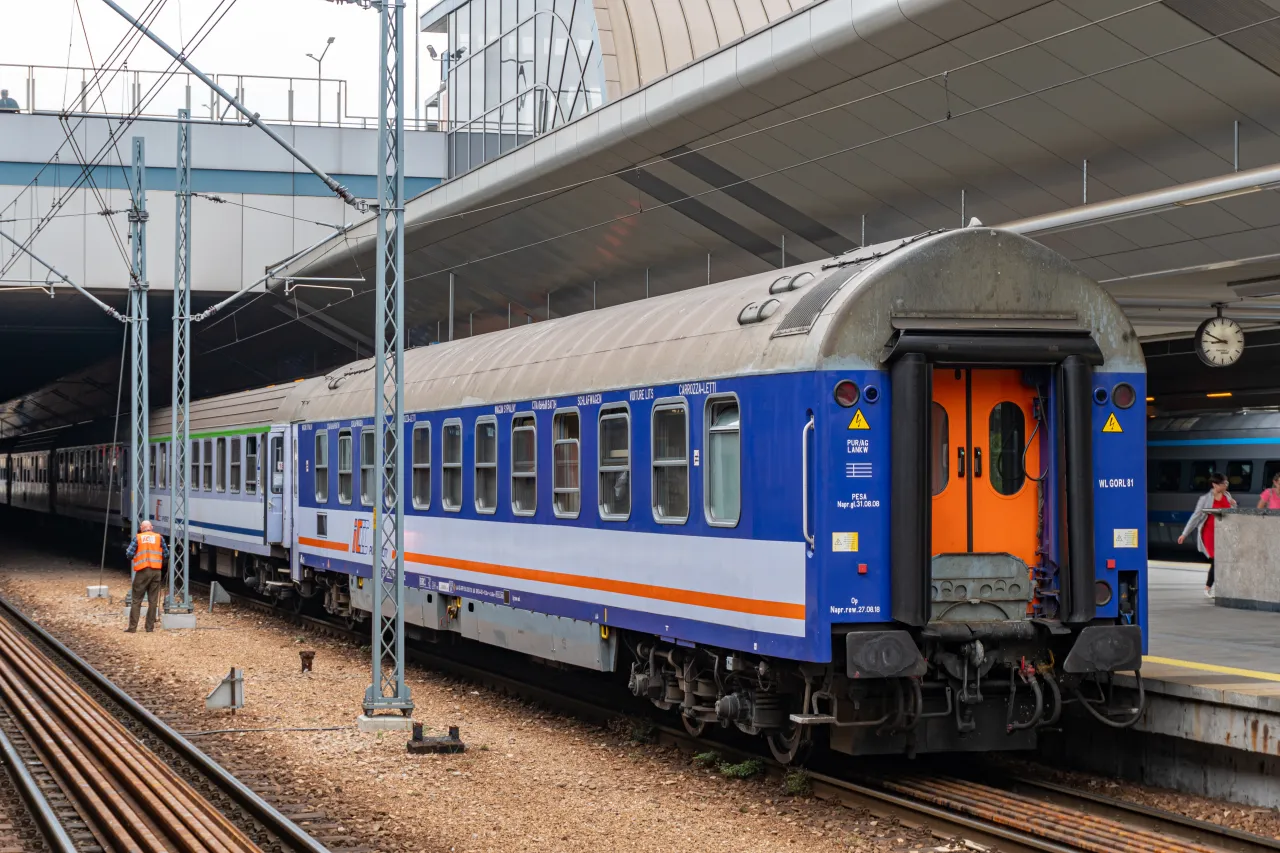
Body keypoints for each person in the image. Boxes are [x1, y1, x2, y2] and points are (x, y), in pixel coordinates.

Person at [1178, 472, 1236, 598]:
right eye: (1223, 483)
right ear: (1215, 485)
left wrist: (1233, 504)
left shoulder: (1227, 495)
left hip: (1224, 533)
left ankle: (1211, 587)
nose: (1226, 485)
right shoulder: (1205, 499)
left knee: (1223, 560)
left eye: (1226, 483)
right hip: (1209, 533)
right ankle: (1208, 588)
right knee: (1218, 559)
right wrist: (1184, 534)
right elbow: (1196, 516)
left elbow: (1232, 513)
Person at [124, 521, 167, 632]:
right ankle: (149, 628)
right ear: (151, 527)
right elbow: (166, 554)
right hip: (156, 572)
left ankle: (132, 628)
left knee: (136, 600)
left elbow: (129, 554)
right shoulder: (159, 538)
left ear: (141, 528)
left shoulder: (138, 538)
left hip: (142, 572)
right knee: (153, 601)